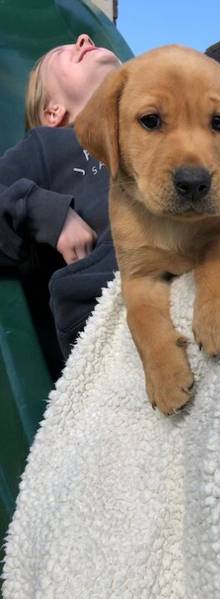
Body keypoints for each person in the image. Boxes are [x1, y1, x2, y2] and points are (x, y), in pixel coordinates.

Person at [0, 34, 121, 363]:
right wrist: (49, 215)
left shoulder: (162, 134)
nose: (84, 39)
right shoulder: (49, 146)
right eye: (65, 53)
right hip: (117, 318)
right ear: (53, 113)